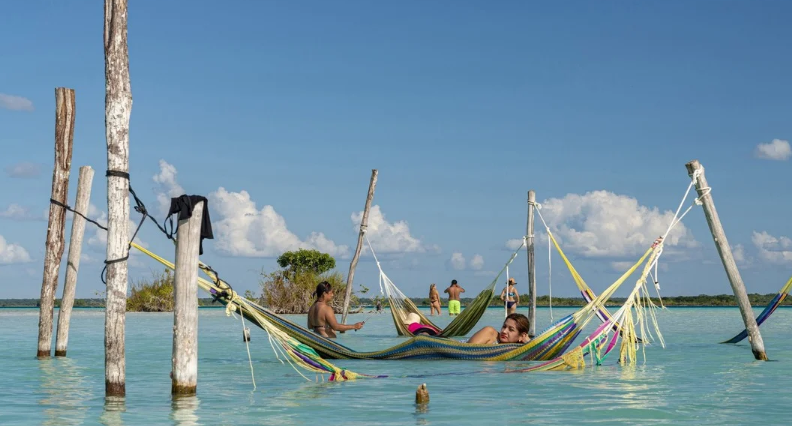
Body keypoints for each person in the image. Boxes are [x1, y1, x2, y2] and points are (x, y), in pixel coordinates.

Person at [466, 313, 531, 344]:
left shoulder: (519, 348)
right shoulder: (489, 332)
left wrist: (528, 342)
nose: (504, 331)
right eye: (504, 326)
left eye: (511, 329)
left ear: (522, 336)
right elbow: (467, 351)